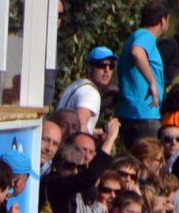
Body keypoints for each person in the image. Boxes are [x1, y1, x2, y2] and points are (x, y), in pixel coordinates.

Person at [117, 0, 170, 147]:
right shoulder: (145, 36)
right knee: (147, 161)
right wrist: (152, 82)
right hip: (143, 114)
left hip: (135, 112)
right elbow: (137, 52)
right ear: (163, 20)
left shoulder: (137, 36)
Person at [57, 47, 117, 132]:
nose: (107, 70)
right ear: (89, 67)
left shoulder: (75, 86)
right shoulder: (91, 94)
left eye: (111, 66)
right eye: (101, 65)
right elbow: (78, 128)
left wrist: (95, 132)